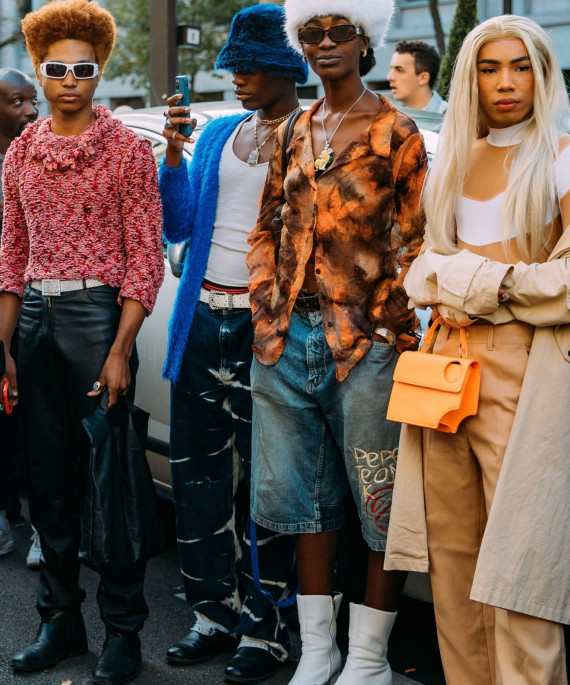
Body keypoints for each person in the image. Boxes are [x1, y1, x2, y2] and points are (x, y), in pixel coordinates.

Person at [385, 15, 570, 685]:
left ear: (543, 72)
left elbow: (566, 285)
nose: (506, 82)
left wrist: (473, 281)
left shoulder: (562, 155)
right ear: (470, 77)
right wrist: (455, 278)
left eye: (520, 65)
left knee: (520, 568)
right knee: (454, 561)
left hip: (526, 367)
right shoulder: (455, 159)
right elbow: (417, 272)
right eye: (490, 68)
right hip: (443, 365)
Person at [247, 0, 427, 682]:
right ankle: (319, 650)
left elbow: (416, 241)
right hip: (286, 338)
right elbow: (267, 223)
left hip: (369, 344)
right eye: (311, 33)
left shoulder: (394, 129)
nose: (324, 44)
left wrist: (393, 324)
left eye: (339, 32)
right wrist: (268, 298)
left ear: (364, 41)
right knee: (304, 499)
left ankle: (369, 658)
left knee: (380, 502)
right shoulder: (295, 126)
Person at [0, 2, 164, 684]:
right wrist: (2, 346)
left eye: (84, 68)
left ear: (101, 72)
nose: (70, 79)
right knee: (49, 485)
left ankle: (123, 632)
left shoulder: (127, 149)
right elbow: (10, 255)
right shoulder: (19, 151)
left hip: (100, 319)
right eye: (57, 68)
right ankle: (59, 623)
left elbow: (144, 258)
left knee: (114, 482)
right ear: (40, 72)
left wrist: (122, 347)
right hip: (33, 320)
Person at [158, 5, 307, 683]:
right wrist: (173, 157)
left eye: (251, 66)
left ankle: (266, 627)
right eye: (234, 66)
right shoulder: (220, 132)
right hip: (202, 319)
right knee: (199, 478)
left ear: (286, 68)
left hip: (265, 326)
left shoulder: (314, 135)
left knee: (266, 486)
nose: (238, 78)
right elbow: (180, 221)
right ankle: (211, 613)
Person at [0, 67, 38, 557]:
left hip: (38, 304)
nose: (30, 111)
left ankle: (27, 518)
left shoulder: (38, 155)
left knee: (28, 417)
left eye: (32, 101)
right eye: (17, 102)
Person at [387, 40, 447, 113]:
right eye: (392, 69)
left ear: (423, 78)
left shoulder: (454, 117)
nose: (389, 77)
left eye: (399, 70)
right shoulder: (391, 119)